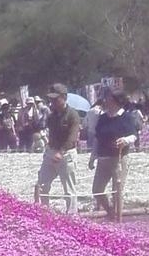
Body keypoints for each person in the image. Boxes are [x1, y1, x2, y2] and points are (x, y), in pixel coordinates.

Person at [90, 87, 141, 219]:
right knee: (97, 189)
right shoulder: (102, 118)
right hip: (103, 158)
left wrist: (125, 140)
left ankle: (118, 218)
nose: (106, 101)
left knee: (117, 191)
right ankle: (110, 212)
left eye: (109, 99)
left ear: (117, 101)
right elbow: (97, 138)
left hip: (119, 158)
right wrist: (93, 157)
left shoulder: (126, 117)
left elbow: (134, 135)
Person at [34, 85, 82, 214]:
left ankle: (72, 215)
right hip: (51, 152)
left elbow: (73, 137)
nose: (53, 102)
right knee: (42, 183)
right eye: (51, 99)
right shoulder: (51, 115)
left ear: (64, 97)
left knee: (69, 188)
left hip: (66, 154)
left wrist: (61, 152)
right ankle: (44, 211)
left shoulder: (73, 115)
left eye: (56, 99)